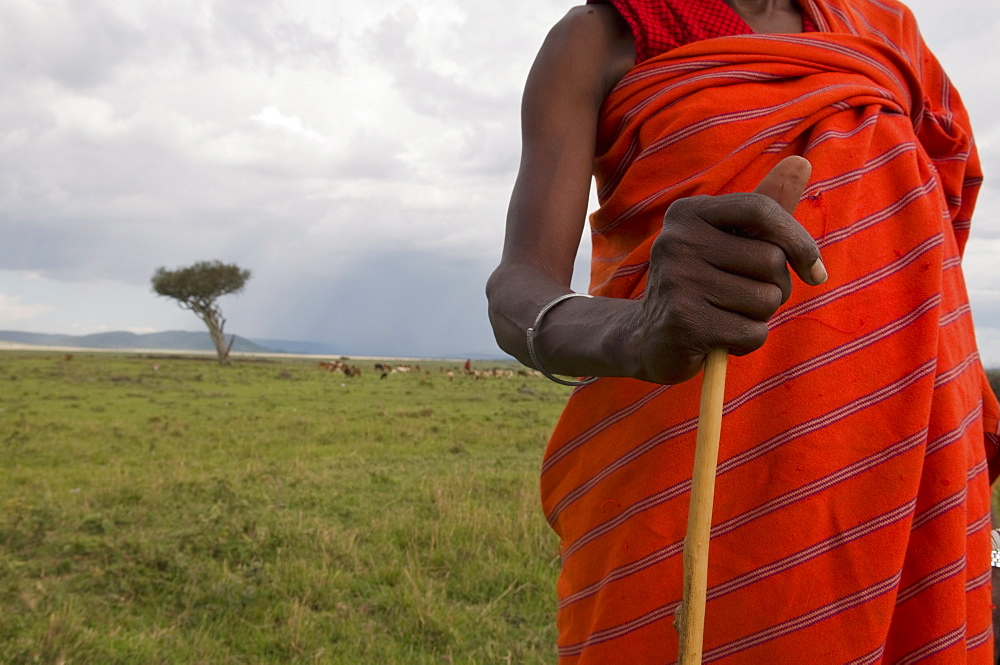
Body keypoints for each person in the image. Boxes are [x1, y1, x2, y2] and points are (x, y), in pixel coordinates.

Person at [485, 0, 1000, 662]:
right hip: (682, 493)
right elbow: (518, 290)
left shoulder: (884, 30)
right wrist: (640, 328)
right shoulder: (602, 39)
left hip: (902, 470)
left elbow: (926, 254)